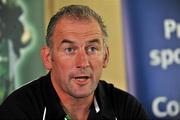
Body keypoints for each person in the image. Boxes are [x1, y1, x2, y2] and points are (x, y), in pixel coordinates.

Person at [0, 5, 148, 120]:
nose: (83, 63)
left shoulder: (127, 109)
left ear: (106, 56)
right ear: (47, 58)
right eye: (70, 50)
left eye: (92, 49)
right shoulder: (18, 110)